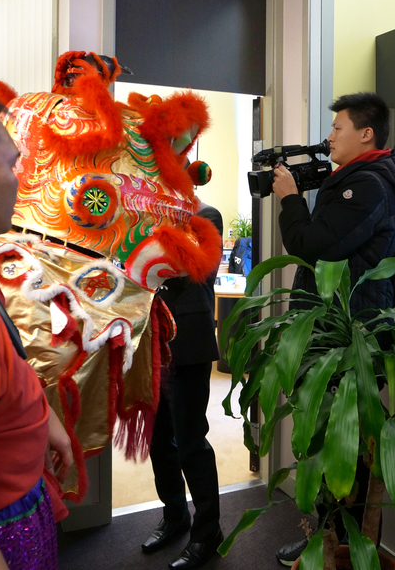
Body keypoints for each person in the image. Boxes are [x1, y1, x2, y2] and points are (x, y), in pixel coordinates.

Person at [271, 92, 395, 566]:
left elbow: (312, 245)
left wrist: (291, 199)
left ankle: (343, 543)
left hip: (349, 341)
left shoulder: (368, 185)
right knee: (334, 444)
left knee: (344, 449)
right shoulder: (357, 179)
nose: (329, 136)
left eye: (338, 128)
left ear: (366, 133)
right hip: (341, 334)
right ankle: (330, 539)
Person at [0, 89, 73, 570]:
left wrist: (47, 423)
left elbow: (7, 367)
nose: (22, 178)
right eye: (11, 165)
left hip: (22, 497)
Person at [141, 202, 224, 569]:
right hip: (150, 341)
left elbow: (192, 265)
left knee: (191, 440)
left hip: (189, 342)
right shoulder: (139, 220)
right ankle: (175, 516)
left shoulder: (206, 217)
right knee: (159, 438)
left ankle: (208, 533)